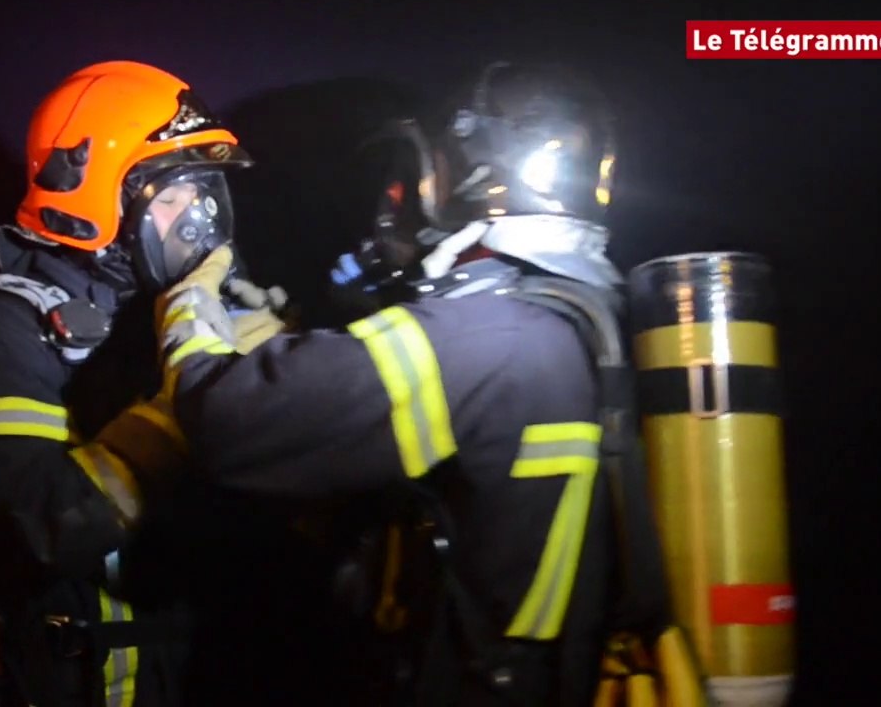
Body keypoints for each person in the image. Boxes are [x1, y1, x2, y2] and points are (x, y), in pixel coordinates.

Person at [143, 62, 706, 706]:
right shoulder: (587, 304)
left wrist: (190, 299)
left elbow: (231, 420)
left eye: (417, 174)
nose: (399, 199)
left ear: (474, 169)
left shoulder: (492, 330)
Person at [0, 60, 285, 707]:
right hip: (91, 684)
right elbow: (38, 523)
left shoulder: (181, 313)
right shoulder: (6, 332)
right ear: (89, 198)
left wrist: (285, 370)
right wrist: (198, 401)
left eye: (205, 195)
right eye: (171, 196)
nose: (197, 221)